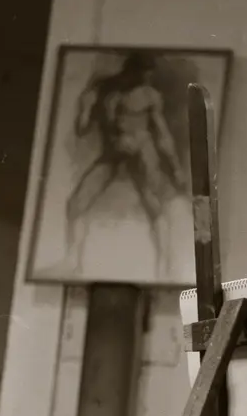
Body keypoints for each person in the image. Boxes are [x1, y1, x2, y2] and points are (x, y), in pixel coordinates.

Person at [64, 52, 186, 278]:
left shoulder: (149, 95)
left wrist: (176, 167)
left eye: (148, 75)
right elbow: (82, 130)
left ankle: (165, 269)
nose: (145, 79)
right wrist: (85, 108)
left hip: (142, 152)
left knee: (154, 205)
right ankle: (72, 264)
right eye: (142, 74)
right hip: (113, 153)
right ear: (131, 71)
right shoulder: (104, 91)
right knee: (76, 203)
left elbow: (162, 135)